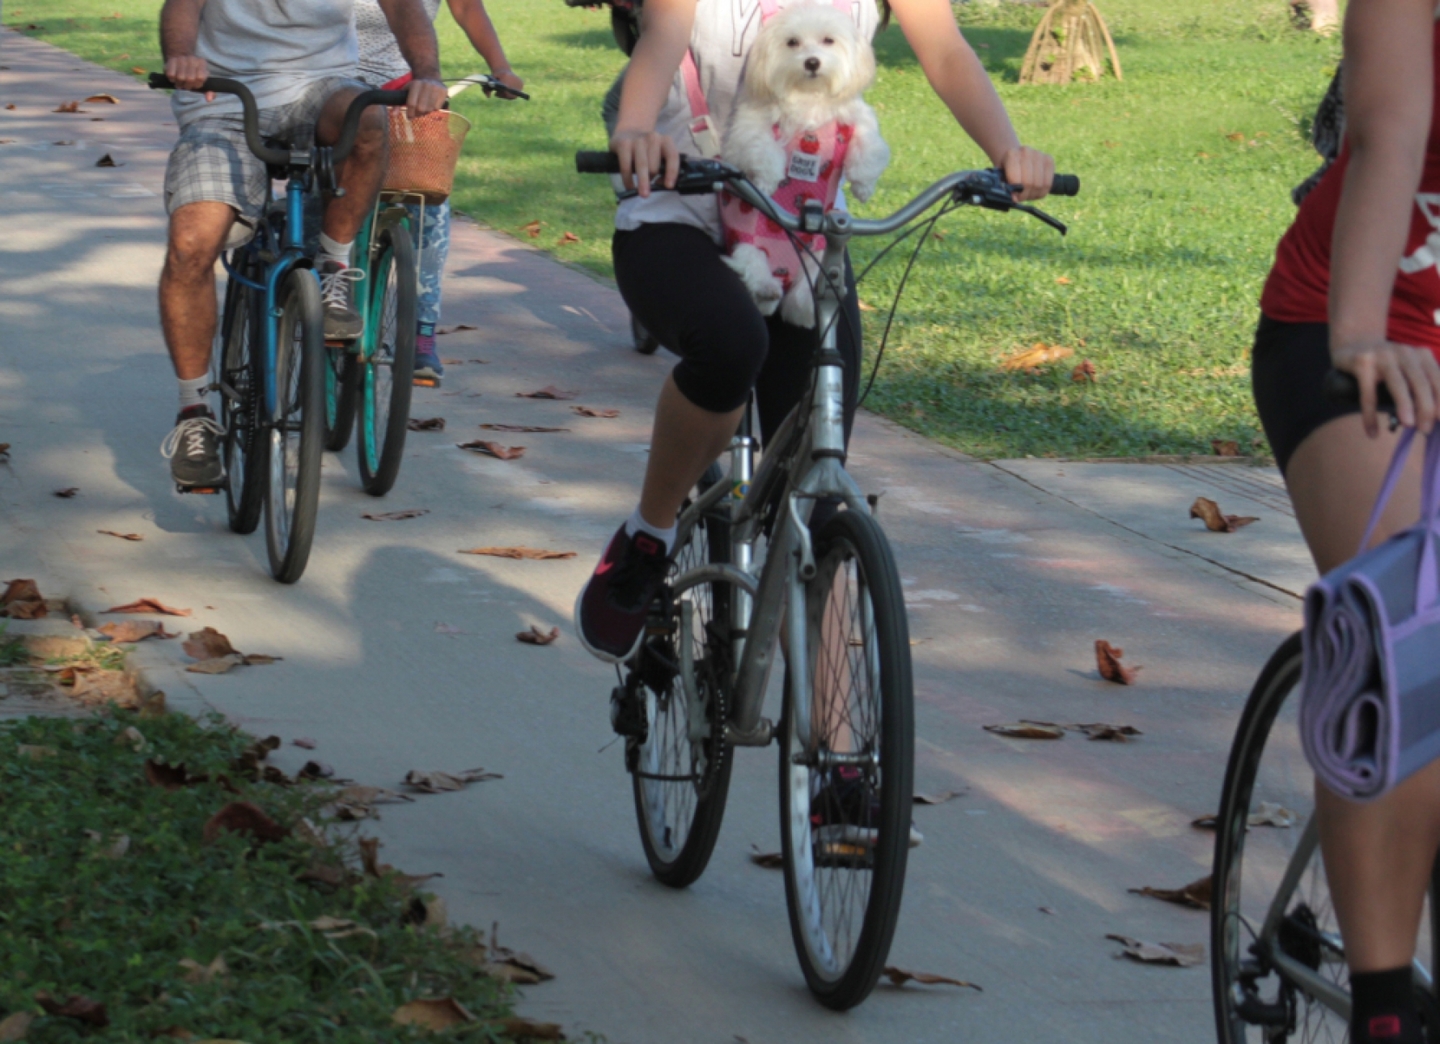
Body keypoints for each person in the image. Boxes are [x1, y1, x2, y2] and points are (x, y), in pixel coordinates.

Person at [572, 0, 1055, 663]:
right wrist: (633, 129)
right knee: (733, 344)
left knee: (820, 496)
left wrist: (1008, 150)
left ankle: (838, 752)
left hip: (800, 239)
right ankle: (648, 538)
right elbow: (663, 33)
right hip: (677, 207)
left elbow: (943, 49)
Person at [1254, 2, 1440, 1042]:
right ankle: (1381, 1008)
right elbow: (1392, 127)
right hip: (1353, 328)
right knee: (1412, 631)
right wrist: (1361, 331)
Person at [157, 0, 446, 490]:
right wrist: (182, 55)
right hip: (223, 100)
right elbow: (182, 5)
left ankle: (333, 270)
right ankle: (194, 413)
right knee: (190, 246)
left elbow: (402, 5)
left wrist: (428, 73)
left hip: (320, 87)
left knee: (369, 120)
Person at [354, 0, 525, 386]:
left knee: (428, 202)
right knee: (325, 197)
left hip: (408, 90)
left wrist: (501, 68)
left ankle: (421, 332)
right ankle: (309, 298)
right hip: (329, 83)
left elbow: (466, 5)